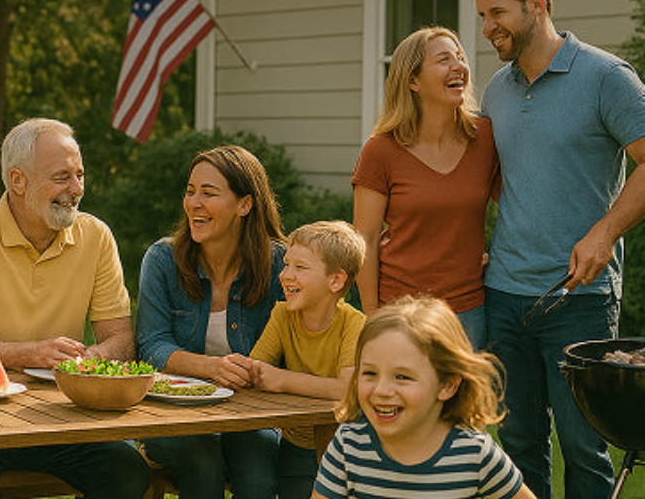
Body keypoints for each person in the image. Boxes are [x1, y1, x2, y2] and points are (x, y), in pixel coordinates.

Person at [470, 0, 645, 499]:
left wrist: (605, 232)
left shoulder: (606, 78)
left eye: (497, 12)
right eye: (482, 16)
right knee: (518, 443)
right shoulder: (497, 89)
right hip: (503, 293)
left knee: (583, 446)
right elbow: (494, 180)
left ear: (537, 4)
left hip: (580, 297)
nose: (487, 27)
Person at [0, 118, 150, 499]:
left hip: (63, 415)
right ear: (17, 181)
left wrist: (93, 357)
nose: (76, 189)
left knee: (127, 470)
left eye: (80, 175)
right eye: (62, 177)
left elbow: (120, 336)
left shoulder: (96, 236)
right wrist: (32, 353)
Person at [135, 144, 286, 499]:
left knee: (258, 476)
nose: (194, 203)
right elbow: (150, 347)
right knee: (202, 462)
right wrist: (211, 368)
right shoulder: (162, 259)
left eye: (209, 193)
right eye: (190, 192)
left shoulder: (280, 264)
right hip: (173, 415)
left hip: (251, 416)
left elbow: (298, 344)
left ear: (245, 205)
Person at [352, 27, 499, 348]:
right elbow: (365, 241)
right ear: (412, 81)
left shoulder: (486, 138)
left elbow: (517, 209)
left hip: (468, 311)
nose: (458, 66)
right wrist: (373, 316)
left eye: (460, 57)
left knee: (465, 399)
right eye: (444, 60)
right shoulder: (380, 150)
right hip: (400, 311)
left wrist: (497, 256)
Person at [312, 295, 537, 499]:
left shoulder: (474, 454)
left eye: (402, 376)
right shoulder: (348, 447)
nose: (381, 390)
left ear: (447, 385)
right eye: (370, 373)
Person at [249, 220, 366, 499]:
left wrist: (283, 379)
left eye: (300, 268)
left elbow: (348, 389)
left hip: (345, 448)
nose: (285, 275)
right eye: (286, 264)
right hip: (295, 444)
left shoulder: (354, 324)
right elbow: (256, 371)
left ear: (336, 280)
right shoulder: (282, 315)